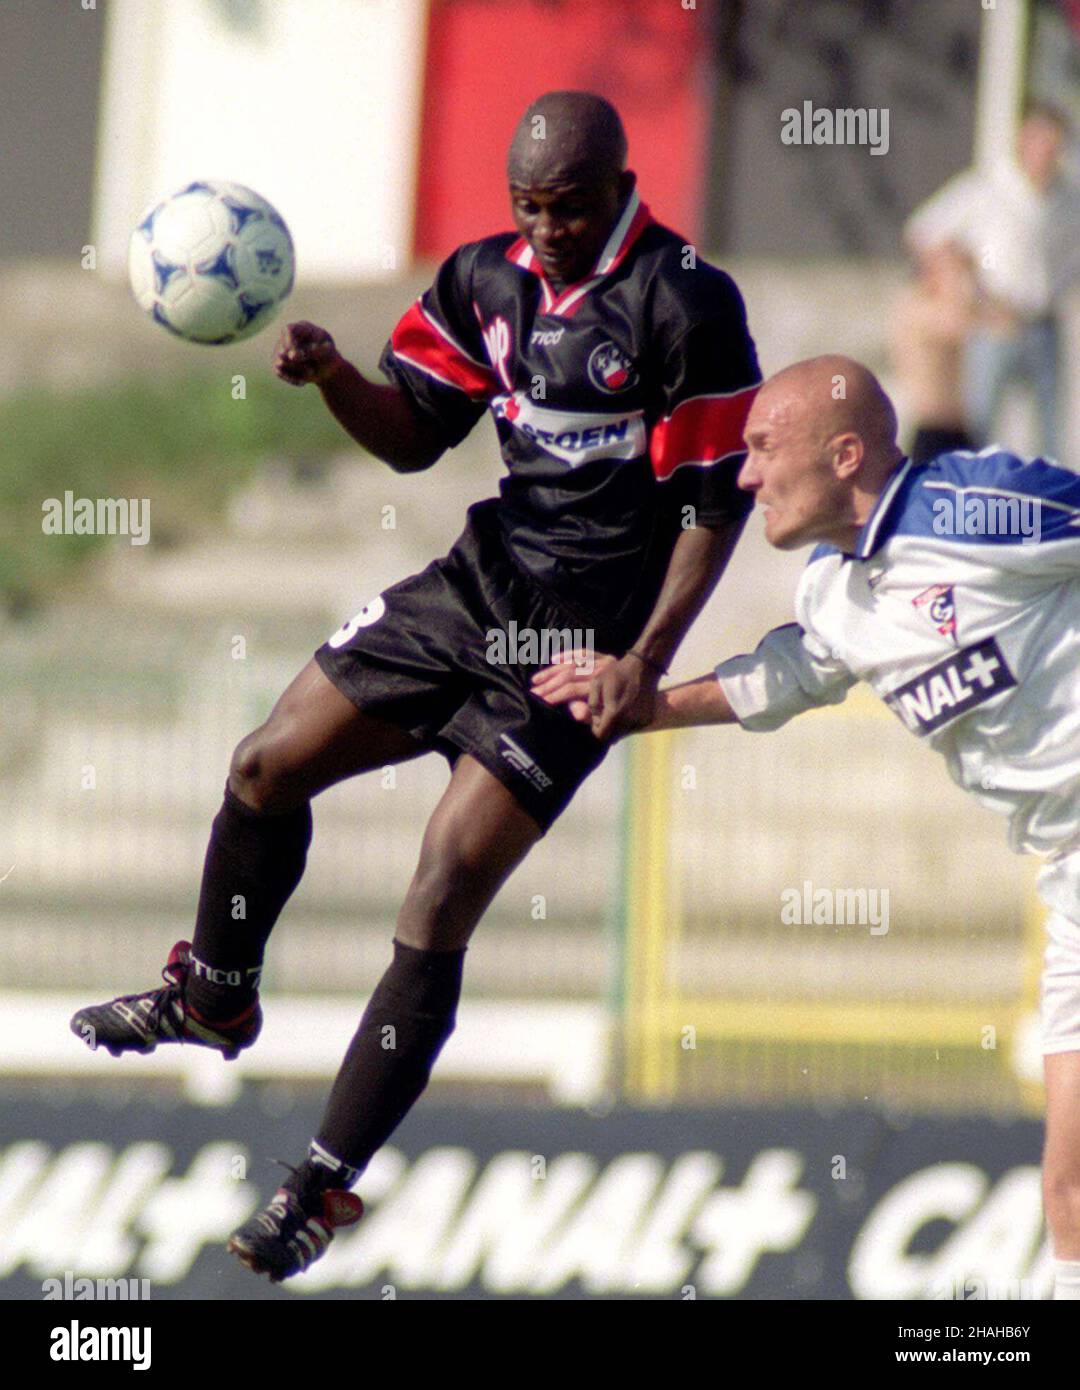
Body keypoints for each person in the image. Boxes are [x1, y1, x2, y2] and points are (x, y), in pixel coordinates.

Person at [69, 91, 761, 1281]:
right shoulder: (483, 279)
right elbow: (412, 436)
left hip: (577, 650)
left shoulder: (685, 300)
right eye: (530, 207)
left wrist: (643, 663)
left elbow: (712, 503)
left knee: (439, 889)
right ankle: (215, 995)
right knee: (264, 763)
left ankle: (322, 1184)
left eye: (573, 206)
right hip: (474, 588)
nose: (547, 229)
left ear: (622, 185)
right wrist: (336, 373)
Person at [535, 354, 1080, 1300]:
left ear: (842, 453)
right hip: (1066, 876)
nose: (743, 477)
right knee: (1068, 1184)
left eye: (760, 449)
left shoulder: (979, 510)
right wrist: (640, 707)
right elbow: (783, 680)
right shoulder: (833, 594)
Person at [905, 103, 1079, 465]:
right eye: (1038, 140)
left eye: (1053, 144)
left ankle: (1048, 507)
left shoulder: (1067, 198)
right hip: (994, 322)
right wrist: (961, 290)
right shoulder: (988, 188)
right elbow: (925, 231)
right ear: (1023, 141)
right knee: (980, 421)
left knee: (1050, 428)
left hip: (1044, 322)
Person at [889, 239, 976, 464]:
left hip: (955, 425)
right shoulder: (916, 305)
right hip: (932, 425)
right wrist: (957, 279)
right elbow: (956, 325)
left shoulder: (931, 305)